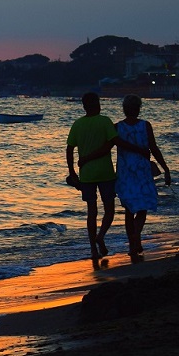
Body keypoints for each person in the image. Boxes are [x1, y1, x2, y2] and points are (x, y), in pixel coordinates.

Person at [115, 94, 171, 262]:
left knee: (129, 209)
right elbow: (153, 148)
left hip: (125, 172)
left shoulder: (116, 127)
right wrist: (165, 168)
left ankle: (133, 242)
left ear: (124, 109)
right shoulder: (145, 126)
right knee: (143, 207)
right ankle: (136, 237)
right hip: (142, 170)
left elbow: (106, 146)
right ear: (139, 109)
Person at [66, 91, 118, 268]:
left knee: (91, 212)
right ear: (98, 104)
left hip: (86, 174)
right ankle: (100, 236)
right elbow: (110, 145)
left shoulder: (78, 124)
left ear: (83, 106)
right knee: (109, 209)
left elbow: (69, 148)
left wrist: (72, 170)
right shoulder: (105, 121)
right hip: (106, 172)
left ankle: (93, 249)